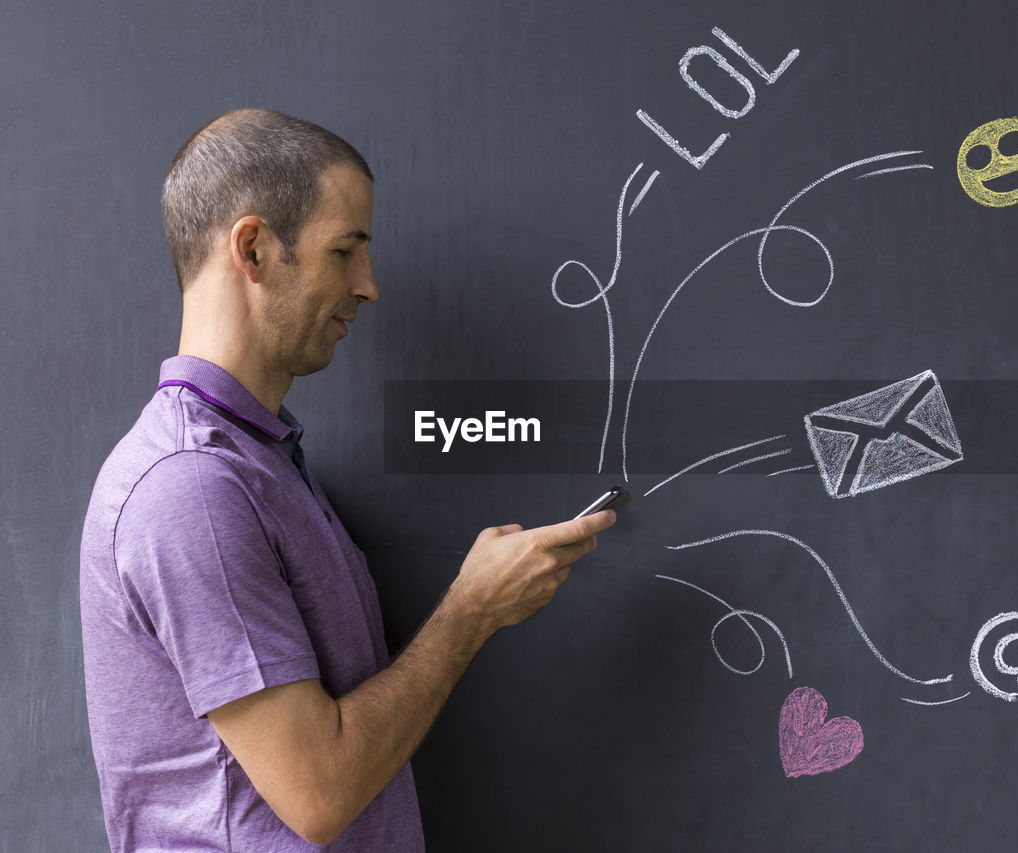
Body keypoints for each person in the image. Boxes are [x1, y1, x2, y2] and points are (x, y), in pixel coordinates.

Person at [79, 108, 616, 851]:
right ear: (254, 248)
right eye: (345, 250)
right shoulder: (192, 490)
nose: (368, 286)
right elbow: (319, 790)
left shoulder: (260, 461)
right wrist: (472, 609)